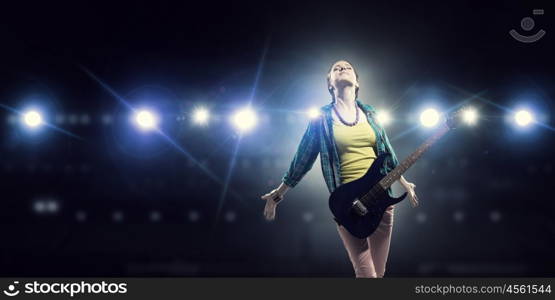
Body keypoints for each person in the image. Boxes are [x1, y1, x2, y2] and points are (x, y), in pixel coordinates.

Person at [260, 60, 419, 278]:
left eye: (348, 67)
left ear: (357, 82)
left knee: (379, 274)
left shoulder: (370, 113)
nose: (342, 67)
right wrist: (278, 194)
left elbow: (388, 155)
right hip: (349, 204)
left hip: (381, 200)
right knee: (366, 275)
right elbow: (302, 159)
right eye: (336, 68)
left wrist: (404, 182)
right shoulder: (322, 118)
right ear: (330, 84)